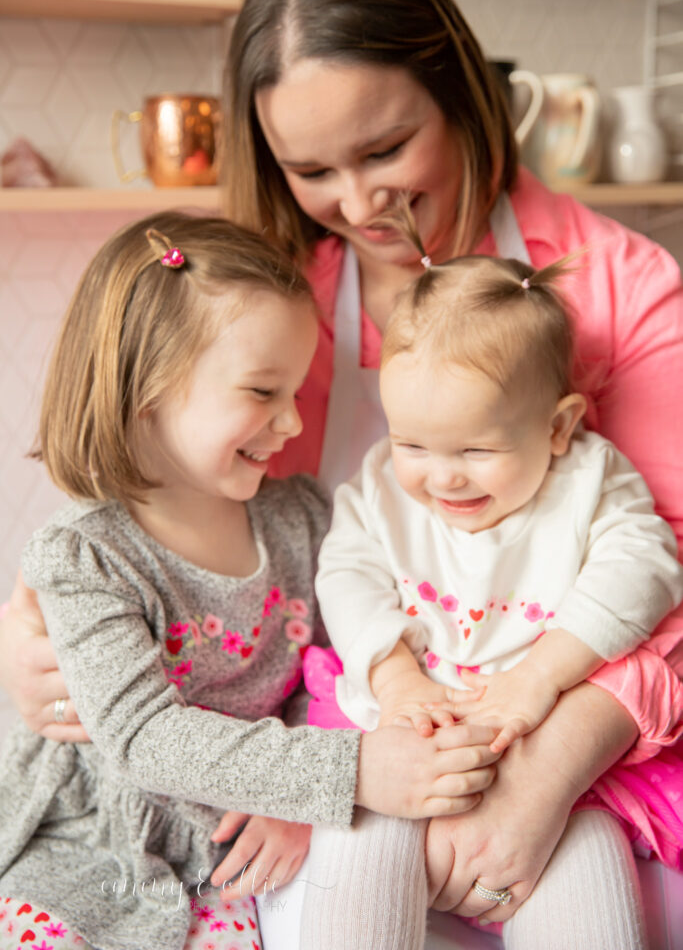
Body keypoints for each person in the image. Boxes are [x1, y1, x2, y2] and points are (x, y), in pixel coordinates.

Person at [1, 0, 683, 944]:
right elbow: (159, 535)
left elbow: (658, 573)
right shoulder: (269, 312)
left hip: (560, 740)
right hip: (336, 736)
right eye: (310, 168)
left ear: (458, 86)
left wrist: (540, 764)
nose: (359, 203)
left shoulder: (619, 292)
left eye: (384, 149)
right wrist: (40, 646)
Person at [0, 212, 501, 950]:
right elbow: (144, 738)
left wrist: (296, 803)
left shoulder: (300, 520)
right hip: (93, 843)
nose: (293, 422)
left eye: (295, 392)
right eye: (263, 392)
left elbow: (320, 680)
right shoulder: (86, 558)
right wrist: (350, 773)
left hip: (234, 847)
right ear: (148, 392)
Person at [301, 247, 683, 949]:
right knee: (355, 848)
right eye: (414, 442)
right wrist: (395, 677)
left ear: (558, 426)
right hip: (404, 735)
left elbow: (646, 568)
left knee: (589, 874)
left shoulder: (589, 478)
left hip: (547, 753)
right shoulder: (383, 484)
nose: (442, 478)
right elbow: (346, 575)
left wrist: (540, 676)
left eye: (475, 451)